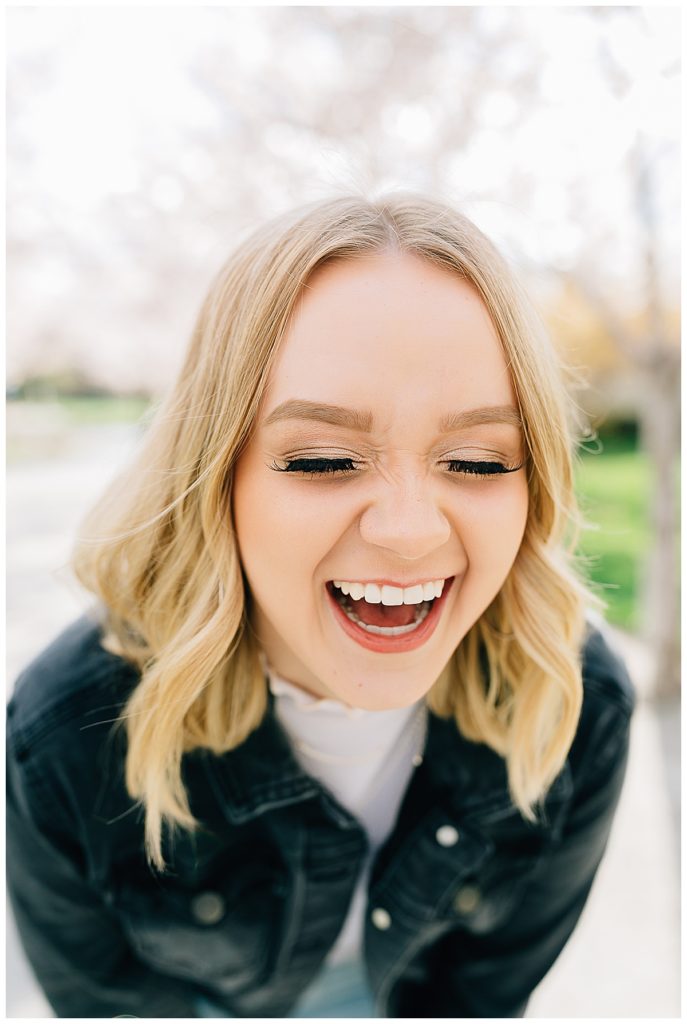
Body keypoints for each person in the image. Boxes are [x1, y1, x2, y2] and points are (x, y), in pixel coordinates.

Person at [7, 193, 635, 1019]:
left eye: (479, 461)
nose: (409, 532)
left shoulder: (575, 706)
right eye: (326, 458)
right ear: (215, 477)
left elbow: (483, 993)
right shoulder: (66, 737)